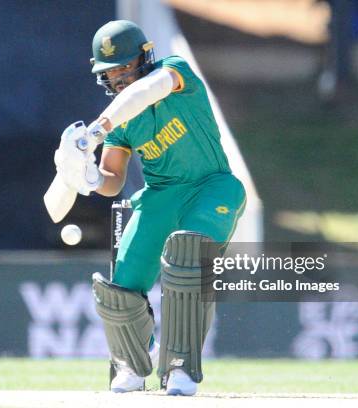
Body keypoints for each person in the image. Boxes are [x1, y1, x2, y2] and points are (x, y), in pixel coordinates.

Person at [53, 20, 246, 396]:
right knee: (121, 284)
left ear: (145, 57)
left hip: (212, 186)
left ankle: (180, 369)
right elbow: (113, 178)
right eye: (110, 72)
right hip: (159, 196)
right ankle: (131, 363)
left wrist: (98, 127)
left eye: (124, 67)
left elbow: (149, 89)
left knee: (188, 254)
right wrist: (87, 178)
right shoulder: (120, 124)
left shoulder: (176, 72)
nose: (119, 78)